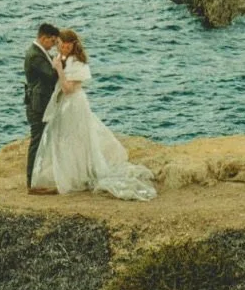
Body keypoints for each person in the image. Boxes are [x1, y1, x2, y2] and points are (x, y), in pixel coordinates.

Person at [29, 29, 156, 201]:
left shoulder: (78, 63)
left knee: (78, 138)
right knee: (66, 140)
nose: (63, 49)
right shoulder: (63, 58)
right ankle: (72, 173)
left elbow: (68, 89)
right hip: (64, 106)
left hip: (74, 104)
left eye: (67, 46)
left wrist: (58, 69)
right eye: (61, 45)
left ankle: (81, 175)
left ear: (73, 45)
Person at [24, 23, 61, 192]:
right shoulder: (35, 56)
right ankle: (32, 183)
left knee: (40, 139)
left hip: (39, 101)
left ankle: (36, 179)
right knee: (37, 140)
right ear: (43, 38)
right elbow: (51, 75)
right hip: (37, 103)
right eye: (52, 41)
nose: (53, 45)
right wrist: (62, 57)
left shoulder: (39, 52)